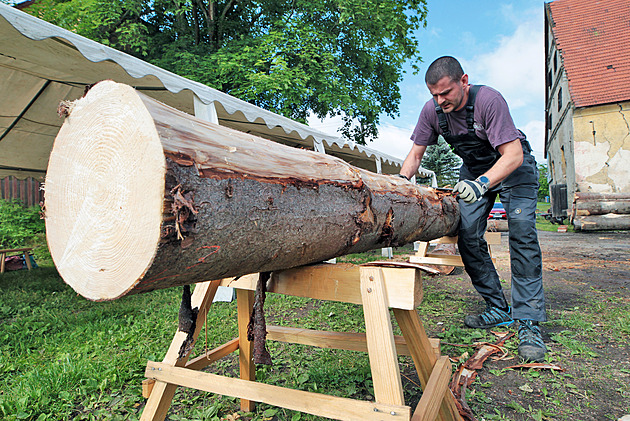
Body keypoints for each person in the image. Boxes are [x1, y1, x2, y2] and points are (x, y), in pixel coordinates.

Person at [399, 56, 547, 362]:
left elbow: (513, 154)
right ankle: (498, 307)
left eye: (446, 93)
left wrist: (481, 184)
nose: (440, 102)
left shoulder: (489, 101)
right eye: (434, 96)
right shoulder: (432, 111)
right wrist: (400, 184)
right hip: (475, 169)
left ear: (464, 81)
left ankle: (528, 321)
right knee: (467, 236)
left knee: (521, 235)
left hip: (514, 169)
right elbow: (415, 154)